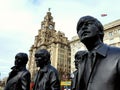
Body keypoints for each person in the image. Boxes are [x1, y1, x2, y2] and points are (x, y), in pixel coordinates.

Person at [76, 15, 120, 90]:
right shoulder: (81, 61)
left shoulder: (117, 54)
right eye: (79, 27)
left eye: (88, 24)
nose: (83, 27)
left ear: (100, 30)